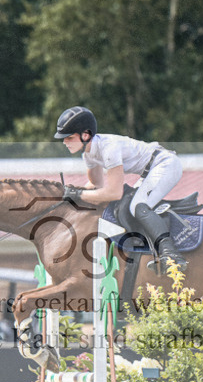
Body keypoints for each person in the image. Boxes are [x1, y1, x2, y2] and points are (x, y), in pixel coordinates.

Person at [53, 105, 185, 274]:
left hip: (165, 164)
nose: (64, 142)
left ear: (85, 135)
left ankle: (171, 253)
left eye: (69, 137)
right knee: (127, 207)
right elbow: (97, 186)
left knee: (137, 206)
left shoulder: (109, 148)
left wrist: (79, 194)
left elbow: (114, 193)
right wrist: (71, 194)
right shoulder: (88, 155)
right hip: (149, 171)